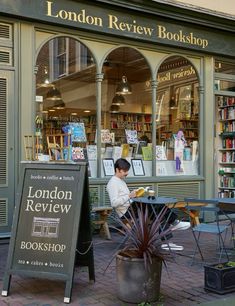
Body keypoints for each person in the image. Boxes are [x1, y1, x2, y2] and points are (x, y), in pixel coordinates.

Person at [106, 158, 190, 250]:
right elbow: (114, 203)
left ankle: (167, 241)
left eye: (127, 171)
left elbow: (125, 197)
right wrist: (129, 196)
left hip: (131, 208)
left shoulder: (120, 180)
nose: (126, 173)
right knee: (155, 206)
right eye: (124, 171)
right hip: (126, 213)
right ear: (117, 169)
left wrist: (135, 194)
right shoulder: (113, 183)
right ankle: (173, 224)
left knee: (158, 212)